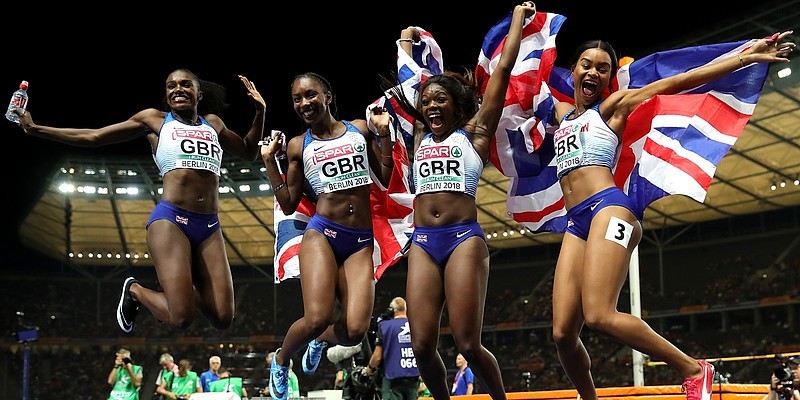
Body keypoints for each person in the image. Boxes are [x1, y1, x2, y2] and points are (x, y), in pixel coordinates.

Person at [545, 23, 795, 400]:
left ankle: (694, 369)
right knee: (563, 333)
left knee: (598, 315)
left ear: (610, 78)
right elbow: (528, 81)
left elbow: (678, 81)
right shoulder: (564, 114)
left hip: (610, 210)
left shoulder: (612, 107)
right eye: (586, 64)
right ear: (574, 70)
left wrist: (745, 57)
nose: (593, 71)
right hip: (577, 222)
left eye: (603, 68)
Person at [12, 69, 266, 334]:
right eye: (171, 86)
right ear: (166, 94)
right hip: (171, 221)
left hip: (209, 225)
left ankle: (184, 288)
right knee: (181, 318)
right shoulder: (155, 120)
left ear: (198, 93)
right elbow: (94, 136)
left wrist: (260, 112)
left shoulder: (213, 123)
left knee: (223, 318)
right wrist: (35, 128)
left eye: (185, 84)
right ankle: (135, 290)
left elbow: (249, 152)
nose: (178, 89)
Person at [384, 3, 536, 400]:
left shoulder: (475, 134)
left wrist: (517, 19)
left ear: (455, 104)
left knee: (468, 343)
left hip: (463, 239)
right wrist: (404, 41)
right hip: (423, 242)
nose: (431, 105)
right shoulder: (419, 135)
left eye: (440, 100)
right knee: (421, 346)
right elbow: (407, 82)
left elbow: (502, 70)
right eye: (426, 101)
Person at [260, 72, 394, 400]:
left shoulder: (359, 130)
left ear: (327, 96)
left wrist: (384, 135)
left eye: (310, 95)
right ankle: (281, 360)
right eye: (297, 99)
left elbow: (384, 175)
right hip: (322, 236)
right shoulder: (298, 146)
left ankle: (321, 342)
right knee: (316, 318)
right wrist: (269, 163)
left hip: (359, 242)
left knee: (354, 332)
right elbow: (288, 203)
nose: (304, 103)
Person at [363, 297, 420, 400]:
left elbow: (377, 356)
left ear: (391, 310)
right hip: (413, 376)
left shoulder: (385, 326)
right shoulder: (416, 326)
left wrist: (369, 368)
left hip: (392, 377)